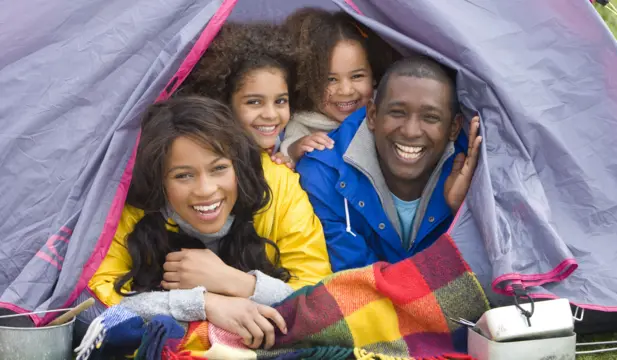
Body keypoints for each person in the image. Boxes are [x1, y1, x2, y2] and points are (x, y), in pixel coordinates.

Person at [88, 96, 332, 349]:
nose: (205, 190)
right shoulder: (132, 207)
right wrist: (205, 304)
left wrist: (234, 282)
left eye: (219, 169)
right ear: (158, 180)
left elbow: (320, 302)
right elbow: (97, 303)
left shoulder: (278, 188)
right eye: (183, 175)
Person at [296, 56, 482, 272]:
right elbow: (356, 284)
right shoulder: (322, 175)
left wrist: (462, 211)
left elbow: (488, 277)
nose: (411, 131)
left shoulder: (476, 173)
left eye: (430, 117)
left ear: (454, 127)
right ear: (372, 115)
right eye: (397, 113)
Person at [280, 8, 397, 163]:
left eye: (357, 76)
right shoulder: (303, 122)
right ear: (308, 82)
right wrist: (296, 149)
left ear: (373, 76)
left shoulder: (385, 106)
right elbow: (287, 152)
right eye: (331, 80)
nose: (346, 90)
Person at [179, 22, 297, 167]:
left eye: (280, 101)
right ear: (225, 102)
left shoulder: (276, 146)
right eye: (254, 102)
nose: (271, 115)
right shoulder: (204, 158)